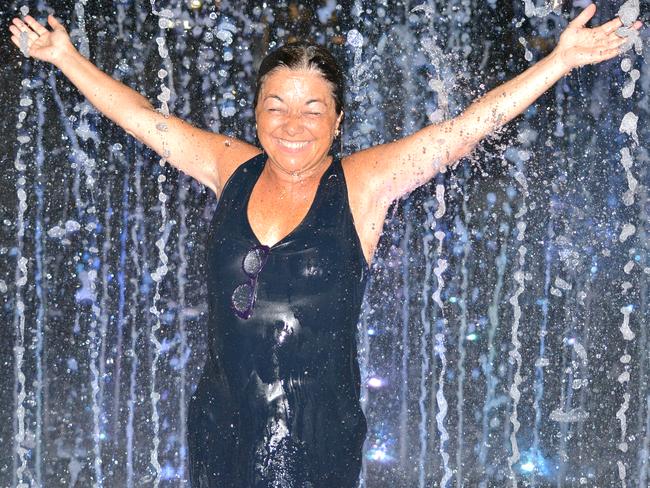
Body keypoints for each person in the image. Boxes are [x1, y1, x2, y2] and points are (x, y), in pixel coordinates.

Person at [9, 5, 642, 487]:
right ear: (255, 113)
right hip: (221, 426)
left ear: (339, 121)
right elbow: (143, 119)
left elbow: (462, 131)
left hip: (318, 437)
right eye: (276, 106)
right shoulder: (230, 167)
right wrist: (65, 57)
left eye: (314, 110)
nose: (292, 125)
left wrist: (558, 61)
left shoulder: (362, 184)